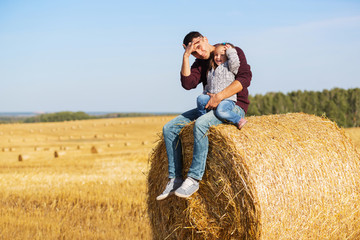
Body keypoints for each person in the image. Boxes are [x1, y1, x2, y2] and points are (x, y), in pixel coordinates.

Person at [156, 31, 252, 200]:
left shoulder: (229, 51)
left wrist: (219, 96)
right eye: (194, 52)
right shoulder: (200, 63)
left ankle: (193, 178)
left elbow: (245, 78)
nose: (199, 53)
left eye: (199, 47)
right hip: (210, 106)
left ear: (205, 39)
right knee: (169, 128)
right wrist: (186, 57)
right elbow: (188, 83)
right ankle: (175, 179)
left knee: (200, 124)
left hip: (233, 106)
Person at [197, 43, 247, 129]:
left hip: (227, 99)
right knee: (200, 99)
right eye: (216, 55)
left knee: (221, 112)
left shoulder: (229, 66)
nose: (218, 57)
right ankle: (202, 117)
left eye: (222, 55)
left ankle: (239, 120)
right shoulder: (211, 69)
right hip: (213, 97)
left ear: (227, 56)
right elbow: (209, 85)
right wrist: (206, 93)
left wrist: (231, 51)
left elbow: (235, 63)